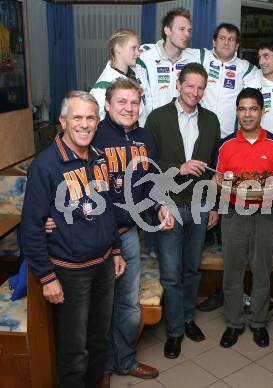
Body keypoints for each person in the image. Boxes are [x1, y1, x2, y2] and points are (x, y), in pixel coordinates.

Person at [44, 79, 174, 386]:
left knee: (127, 303)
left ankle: (124, 360)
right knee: (91, 312)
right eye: (121, 102)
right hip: (88, 237)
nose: (128, 108)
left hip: (127, 234)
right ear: (107, 105)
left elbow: (150, 181)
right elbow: (59, 175)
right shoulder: (91, 133)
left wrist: (159, 206)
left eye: (134, 102)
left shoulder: (145, 138)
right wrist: (49, 216)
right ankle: (96, 369)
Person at [20, 91, 125, 388]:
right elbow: (31, 228)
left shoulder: (100, 158)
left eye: (90, 118)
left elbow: (108, 212)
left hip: (104, 265)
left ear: (98, 122)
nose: (84, 124)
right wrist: (46, 276)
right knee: (74, 351)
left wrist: (116, 249)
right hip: (70, 272)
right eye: (77, 117)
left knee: (99, 342)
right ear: (63, 121)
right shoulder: (46, 165)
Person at [145, 63, 220, 359]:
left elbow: (215, 168)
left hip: (201, 205)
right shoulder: (157, 118)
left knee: (191, 269)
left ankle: (188, 318)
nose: (195, 92)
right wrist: (180, 168)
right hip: (169, 206)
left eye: (201, 88)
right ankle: (174, 331)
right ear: (178, 84)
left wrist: (214, 204)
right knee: (172, 274)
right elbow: (147, 164)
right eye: (190, 86)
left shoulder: (212, 121)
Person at [213, 87, 273, 348]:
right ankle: (234, 322)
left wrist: (270, 187)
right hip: (233, 214)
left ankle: (258, 322)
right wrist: (218, 181)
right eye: (242, 109)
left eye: (253, 109)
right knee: (232, 270)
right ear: (236, 112)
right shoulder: (226, 145)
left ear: (262, 112)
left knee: (262, 270)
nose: (247, 114)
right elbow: (218, 178)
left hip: (266, 214)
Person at [195, 23, 256, 138]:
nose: (226, 43)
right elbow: (172, 49)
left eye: (231, 39)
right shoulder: (201, 56)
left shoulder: (245, 68)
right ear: (214, 42)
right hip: (198, 134)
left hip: (229, 137)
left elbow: (269, 75)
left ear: (237, 45)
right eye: (222, 38)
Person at [139, 7, 198, 115]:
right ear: (167, 30)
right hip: (153, 127)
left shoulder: (193, 60)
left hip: (184, 126)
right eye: (182, 29)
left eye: (189, 30)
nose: (187, 34)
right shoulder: (146, 59)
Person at [90, 28, 148, 126]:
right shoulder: (103, 87)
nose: (137, 53)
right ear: (118, 48)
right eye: (133, 48)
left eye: (138, 49)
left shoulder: (137, 71)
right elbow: (98, 125)